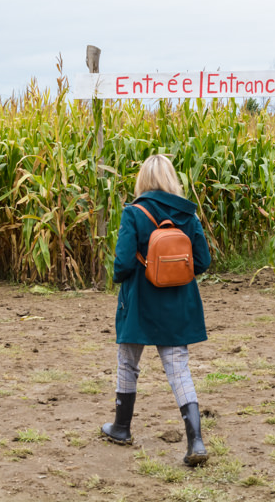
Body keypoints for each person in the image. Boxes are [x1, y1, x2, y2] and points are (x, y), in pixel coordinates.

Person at [101, 154, 212, 466]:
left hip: (139, 302)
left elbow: (122, 263)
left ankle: (121, 428)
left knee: (128, 362)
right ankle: (196, 441)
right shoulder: (188, 215)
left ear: (143, 180)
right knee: (178, 368)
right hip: (178, 303)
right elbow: (202, 263)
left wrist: (121, 276)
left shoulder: (133, 213)